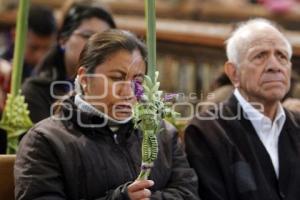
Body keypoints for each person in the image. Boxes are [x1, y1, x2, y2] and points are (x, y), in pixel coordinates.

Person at [14, 29, 199, 200]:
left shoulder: (162, 133)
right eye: (117, 78)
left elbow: (188, 193)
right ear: (85, 79)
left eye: (138, 81)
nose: (128, 92)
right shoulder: (46, 141)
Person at [185, 18, 300, 200]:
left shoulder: (296, 124)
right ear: (233, 73)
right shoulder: (207, 131)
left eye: (282, 56)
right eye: (260, 56)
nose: (274, 66)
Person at [21, 3, 116, 123]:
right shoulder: (36, 92)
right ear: (63, 39)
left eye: (105, 41)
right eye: (87, 36)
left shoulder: (118, 93)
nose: (97, 47)